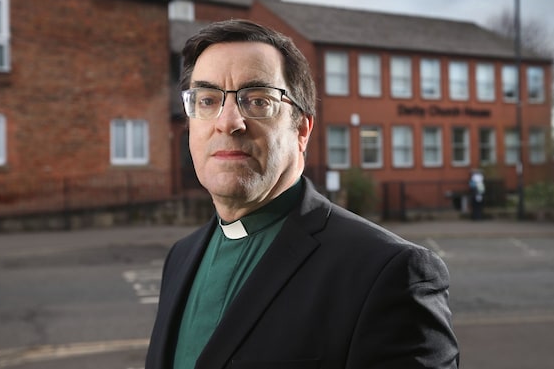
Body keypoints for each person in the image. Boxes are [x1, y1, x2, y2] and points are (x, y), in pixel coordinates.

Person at [146, 19, 459, 369]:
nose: (228, 121)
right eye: (206, 100)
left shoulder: (388, 272)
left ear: (302, 130)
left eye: (258, 101)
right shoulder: (181, 257)